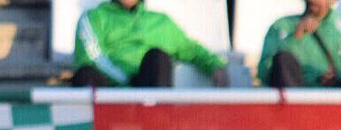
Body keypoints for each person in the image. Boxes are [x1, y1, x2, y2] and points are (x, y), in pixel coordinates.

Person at [71, 0, 229, 88]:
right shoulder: (94, 18)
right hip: (109, 97)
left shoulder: (160, 22)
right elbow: (91, 58)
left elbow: (191, 49)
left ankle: (156, 126)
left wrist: (215, 66)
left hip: (148, 96)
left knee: (157, 57)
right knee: (85, 74)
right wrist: (128, 82)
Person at [258, 0, 341, 89]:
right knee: (283, 59)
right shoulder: (281, 27)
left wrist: (335, 78)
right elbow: (263, 74)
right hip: (300, 101)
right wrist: (296, 38)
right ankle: (293, 120)